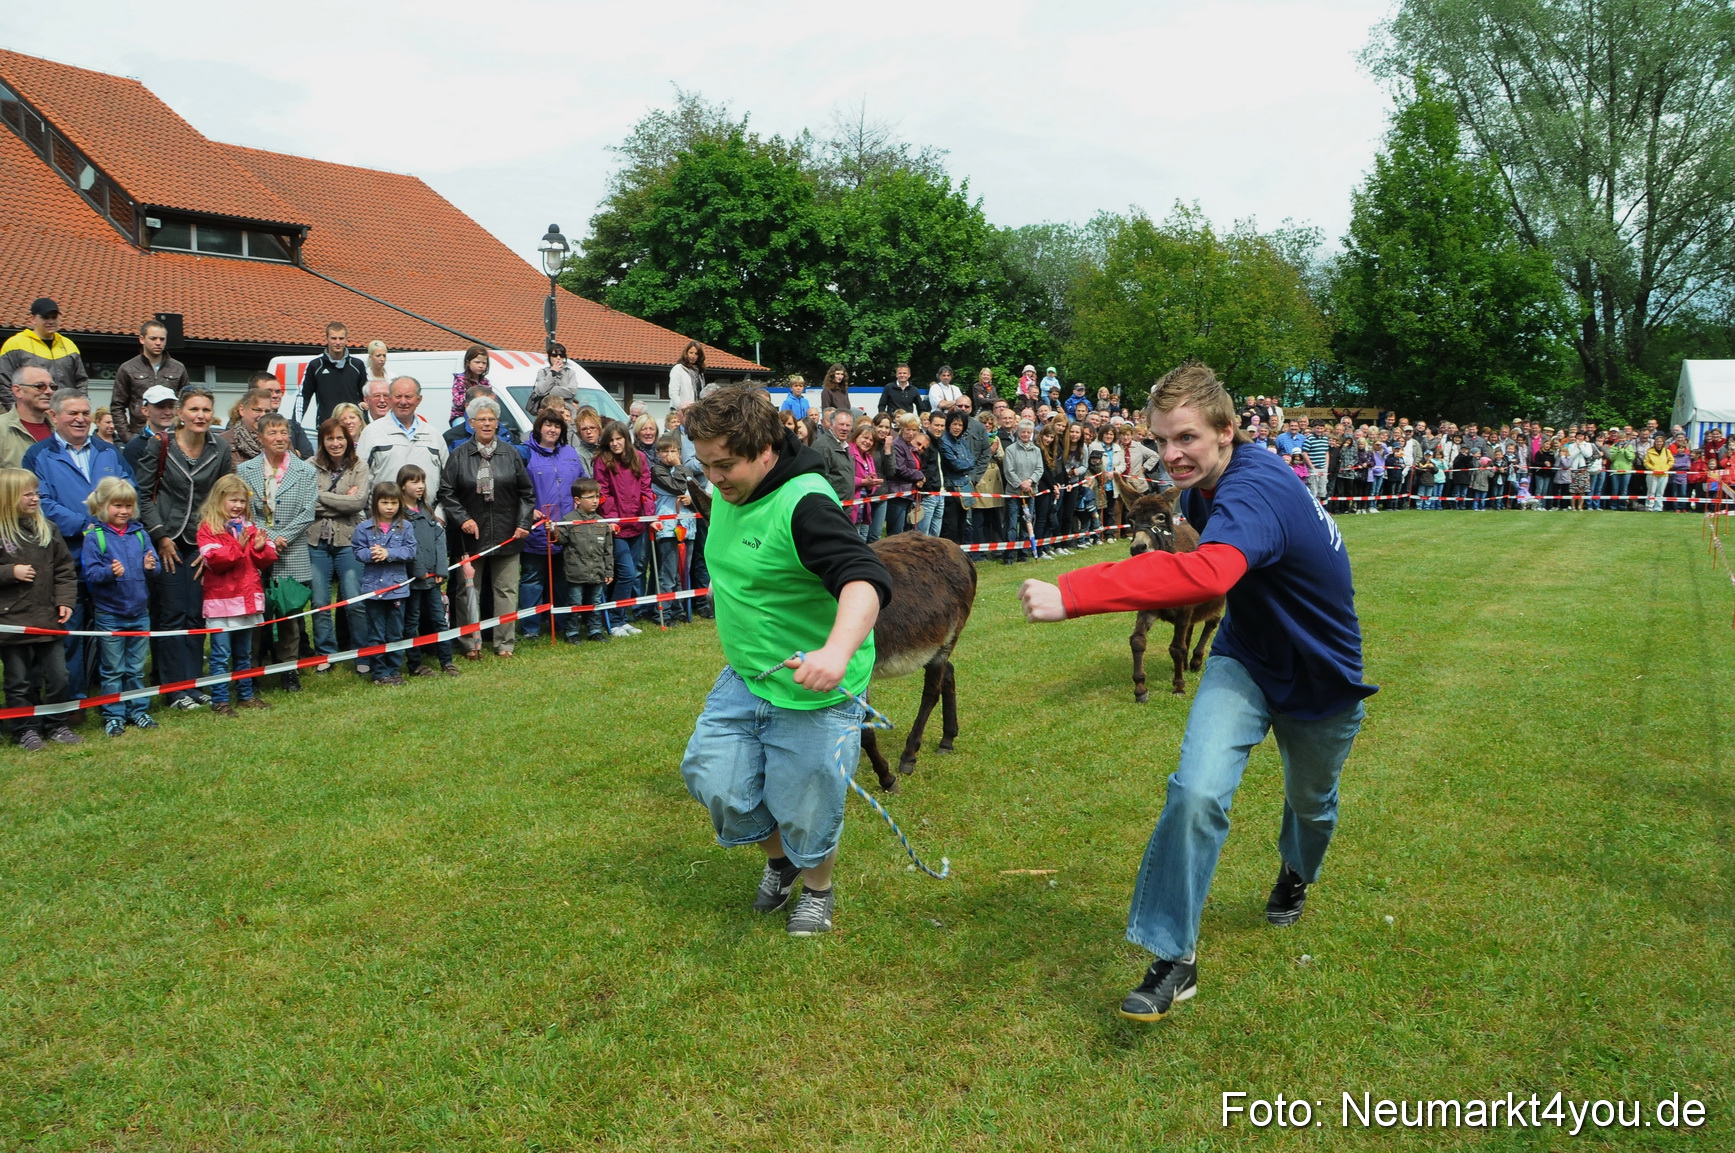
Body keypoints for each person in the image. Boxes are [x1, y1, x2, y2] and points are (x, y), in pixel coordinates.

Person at [1018, 361, 1376, 1023]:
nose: (1170, 454)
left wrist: (1075, 591)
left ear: (1227, 431)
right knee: (1196, 790)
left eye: (1184, 438)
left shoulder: (1254, 487)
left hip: (1321, 673)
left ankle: (1295, 869)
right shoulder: (1204, 488)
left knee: (1311, 802)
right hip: (1245, 657)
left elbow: (1209, 574)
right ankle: (1171, 956)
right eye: (1158, 440)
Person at [680, 385, 891, 936]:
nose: (715, 478)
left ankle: (817, 890)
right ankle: (782, 862)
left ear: (767, 449)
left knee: (807, 803)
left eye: (725, 465)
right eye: (705, 466)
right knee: (717, 782)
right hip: (748, 676)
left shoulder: (805, 504)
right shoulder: (730, 494)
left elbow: (865, 578)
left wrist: (837, 652)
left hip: (814, 689)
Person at [25, 387, 134, 703]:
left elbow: (129, 491)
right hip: (66, 557)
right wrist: (88, 525)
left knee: (110, 632)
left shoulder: (109, 452)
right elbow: (42, 503)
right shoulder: (39, 455)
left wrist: (110, 530)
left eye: (85, 413)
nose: (80, 419)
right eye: (72, 413)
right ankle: (71, 699)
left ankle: (112, 697)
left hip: (109, 556)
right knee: (69, 632)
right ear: (54, 416)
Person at [137, 387, 233, 710]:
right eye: (194, 409)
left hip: (200, 542)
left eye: (206, 410)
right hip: (167, 541)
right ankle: (173, 688)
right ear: (180, 413)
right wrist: (160, 536)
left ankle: (194, 683)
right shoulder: (160, 444)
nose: (200, 416)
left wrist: (213, 542)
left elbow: (221, 495)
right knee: (172, 614)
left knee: (196, 614)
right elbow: (143, 494)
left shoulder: (219, 448)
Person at [439, 396, 533, 658]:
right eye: (482, 419)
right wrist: (463, 519)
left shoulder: (511, 453)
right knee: (468, 591)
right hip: (470, 536)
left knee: (506, 591)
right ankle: (470, 643)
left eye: (492, 419)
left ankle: (505, 644)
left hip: (507, 534)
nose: (487, 423)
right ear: (471, 423)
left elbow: (526, 492)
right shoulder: (458, 455)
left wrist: (523, 523)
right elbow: (447, 493)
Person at [0, 468, 79, 747]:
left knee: (59, 676)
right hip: (12, 621)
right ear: (9, 498)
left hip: (48, 619)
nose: (35, 499)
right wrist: (10, 572)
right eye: (28, 494)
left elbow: (65, 570)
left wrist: (65, 601)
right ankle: (24, 729)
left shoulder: (49, 528)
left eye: (37, 493)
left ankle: (56, 724)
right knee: (19, 681)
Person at [238, 413, 317, 691]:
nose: (280, 438)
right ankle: (253, 671)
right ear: (259, 438)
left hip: (292, 552)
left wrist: (283, 537)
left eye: (284, 432)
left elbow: (308, 511)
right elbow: (243, 511)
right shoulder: (245, 471)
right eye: (272, 433)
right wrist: (268, 538)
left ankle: (289, 670)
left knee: (289, 614)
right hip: (257, 552)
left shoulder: (305, 470)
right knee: (257, 613)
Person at [79, 477, 159, 736]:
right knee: (113, 669)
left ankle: (138, 710)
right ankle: (113, 714)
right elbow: (90, 575)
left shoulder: (140, 533)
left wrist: (151, 567)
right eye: (117, 506)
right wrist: (109, 572)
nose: (124, 511)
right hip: (110, 613)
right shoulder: (95, 537)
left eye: (128, 506)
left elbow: (154, 564)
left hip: (139, 612)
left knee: (136, 667)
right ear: (103, 506)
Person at [195, 474, 277, 716]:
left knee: (245, 653)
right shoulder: (208, 529)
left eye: (242, 501)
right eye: (233, 500)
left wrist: (261, 549)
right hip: (221, 602)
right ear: (219, 499)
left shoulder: (250, 527)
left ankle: (246, 694)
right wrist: (238, 546)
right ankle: (220, 700)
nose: (238, 506)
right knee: (220, 655)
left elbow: (265, 558)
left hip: (247, 601)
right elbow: (214, 560)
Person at [305, 420, 370, 673]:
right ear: (322, 441)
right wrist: (342, 499)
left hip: (349, 540)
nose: (335, 443)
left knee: (356, 600)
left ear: (348, 440)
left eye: (340, 438)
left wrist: (320, 495)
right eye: (330, 438)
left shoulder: (359, 466)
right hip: (316, 541)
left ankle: (363, 653)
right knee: (320, 602)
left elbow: (358, 503)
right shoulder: (309, 466)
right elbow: (307, 502)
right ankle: (325, 654)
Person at [516, 412, 586, 639]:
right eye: (548, 425)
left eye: (557, 426)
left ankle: (564, 623)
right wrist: (526, 511)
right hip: (537, 529)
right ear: (539, 427)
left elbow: (582, 484)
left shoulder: (570, 453)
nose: (552, 430)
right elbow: (514, 487)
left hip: (566, 529)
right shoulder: (525, 453)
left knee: (563, 579)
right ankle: (530, 628)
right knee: (532, 580)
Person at [591, 419, 655, 637]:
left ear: (626, 439)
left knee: (632, 573)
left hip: (637, 525)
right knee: (626, 572)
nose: (616, 444)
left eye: (619, 439)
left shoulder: (640, 458)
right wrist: (611, 519)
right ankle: (615, 620)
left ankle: (622, 618)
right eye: (611, 440)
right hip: (615, 528)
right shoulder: (602, 461)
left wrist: (649, 516)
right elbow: (603, 493)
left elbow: (646, 488)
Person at [350, 482, 418, 686]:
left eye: (394, 503)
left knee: (396, 631)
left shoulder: (406, 527)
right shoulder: (364, 528)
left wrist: (389, 553)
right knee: (376, 632)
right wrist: (372, 553)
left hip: (397, 589)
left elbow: (411, 551)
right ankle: (380, 672)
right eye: (385, 502)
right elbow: (357, 551)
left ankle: (394, 670)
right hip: (373, 590)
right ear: (375, 503)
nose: (389, 507)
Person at [395, 464, 459, 676]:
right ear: (402, 486)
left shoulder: (428, 511)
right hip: (413, 581)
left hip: (433, 580)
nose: (420, 486)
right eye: (414, 481)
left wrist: (442, 568)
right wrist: (419, 570)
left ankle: (446, 661)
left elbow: (439, 540)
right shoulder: (400, 517)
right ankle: (415, 664)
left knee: (439, 620)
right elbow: (410, 547)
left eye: (422, 481)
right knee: (411, 621)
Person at [355, 377, 448, 498]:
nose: (403, 402)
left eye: (408, 397)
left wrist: (439, 514)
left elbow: (447, 483)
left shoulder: (433, 435)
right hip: (384, 514)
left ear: (419, 400)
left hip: (427, 514)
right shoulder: (372, 433)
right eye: (398, 396)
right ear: (390, 398)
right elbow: (359, 480)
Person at [110, 318, 189, 441]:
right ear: (142, 339)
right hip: (139, 435)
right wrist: (127, 437)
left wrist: (183, 432)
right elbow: (117, 406)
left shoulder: (178, 368)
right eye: (153, 338)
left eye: (162, 339)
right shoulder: (128, 368)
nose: (158, 343)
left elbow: (186, 403)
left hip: (172, 436)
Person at [556, 478, 614, 641]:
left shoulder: (601, 522)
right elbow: (560, 540)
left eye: (597, 496)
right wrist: (552, 531)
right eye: (590, 497)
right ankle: (572, 632)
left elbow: (608, 549)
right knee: (575, 603)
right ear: (577, 500)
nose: (595, 500)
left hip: (597, 572)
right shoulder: (568, 520)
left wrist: (609, 570)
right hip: (576, 572)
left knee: (595, 603)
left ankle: (595, 631)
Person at [649, 433, 698, 624]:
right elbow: (677, 487)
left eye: (674, 451)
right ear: (658, 453)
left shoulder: (685, 469)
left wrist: (691, 499)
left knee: (681, 573)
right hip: (669, 527)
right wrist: (679, 467)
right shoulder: (657, 470)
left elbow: (694, 489)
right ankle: (663, 612)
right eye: (665, 451)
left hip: (687, 526)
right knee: (668, 574)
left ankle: (679, 610)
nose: (670, 454)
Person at [0, 298, 88, 399]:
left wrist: (81, 404)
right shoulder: (15, 344)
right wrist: (16, 411)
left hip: (63, 411)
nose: (50, 321)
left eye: (54, 317)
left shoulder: (69, 345)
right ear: (32, 319)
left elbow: (82, 382)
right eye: (45, 317)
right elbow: (4, 383)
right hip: (29, 412)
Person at [293, 322, 368, 429]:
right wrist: (296, 425)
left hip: (352, 427)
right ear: (327, 339)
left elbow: (366, 397)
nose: (338, 342)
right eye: (334, 338)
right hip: (326, 427)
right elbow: (303, 396)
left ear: (346, 339)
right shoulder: (315, 366)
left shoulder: (357, 365)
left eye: (341, 338)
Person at [0, 365, 57, 469]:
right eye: (40, 386)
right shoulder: (2, 429)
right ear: (18, 391)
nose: (49, 391)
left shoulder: (61, 429)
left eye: (52, 387)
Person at [122, 385, 181, 475]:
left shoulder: (185, 440)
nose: (168, 412)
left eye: (171, 406)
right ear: (145, 411)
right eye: (160, 407)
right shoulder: (135, 448)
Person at [847, 417, 882, 542]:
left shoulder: (868, 456)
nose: (868, 442)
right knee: (854, 539)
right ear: (856, 436)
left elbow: (871, 476)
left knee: (863, 537)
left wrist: (872, 482)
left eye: (871, 440)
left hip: (864, 503)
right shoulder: (849, 452)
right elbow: (845, 477)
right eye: (865, 438)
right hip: (852, 503)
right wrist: (863, 482)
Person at [813, 409, 856, 504]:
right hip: (831, 505)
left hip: (844, 504)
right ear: (831, 425)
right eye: (841, 424)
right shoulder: (823, 447)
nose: (845, 428)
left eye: (848, 425)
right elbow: (820, 480)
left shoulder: (844, 445)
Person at [224, 387, 275, 466]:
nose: (263, 415)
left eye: (267, 411)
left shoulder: (280, 440)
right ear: (242, 410)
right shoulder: (225, 442)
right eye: (257, 410)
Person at [529, 343, 582, 412]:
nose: (558, 358)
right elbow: (540, 391)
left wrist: (548, 392)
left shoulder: (570, 372)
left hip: (567, 412)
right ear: (549, 357)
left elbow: (572, 392)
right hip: (548, 411)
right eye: (554, 355)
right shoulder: (542, 372)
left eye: (561, 355)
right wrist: (553, 373)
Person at [449, 346, 493, 425]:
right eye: (477, 362)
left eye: (484, 363)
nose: (481, 365)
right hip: (461, 415)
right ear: (468, 363)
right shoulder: (460, 380)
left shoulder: (485, 382)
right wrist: (478, 399)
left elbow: (492, 400)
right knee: (462, 427)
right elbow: (458, 402)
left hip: (482, 415)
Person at [669, 341, 705, 411]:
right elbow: (673, 392)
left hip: (694, 410)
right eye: (691, 353)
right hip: (680, 410)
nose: (693, 356)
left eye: (696, 354)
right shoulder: (678, 368)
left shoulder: (700, 372)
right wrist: (681, 408)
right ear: (686, 353)